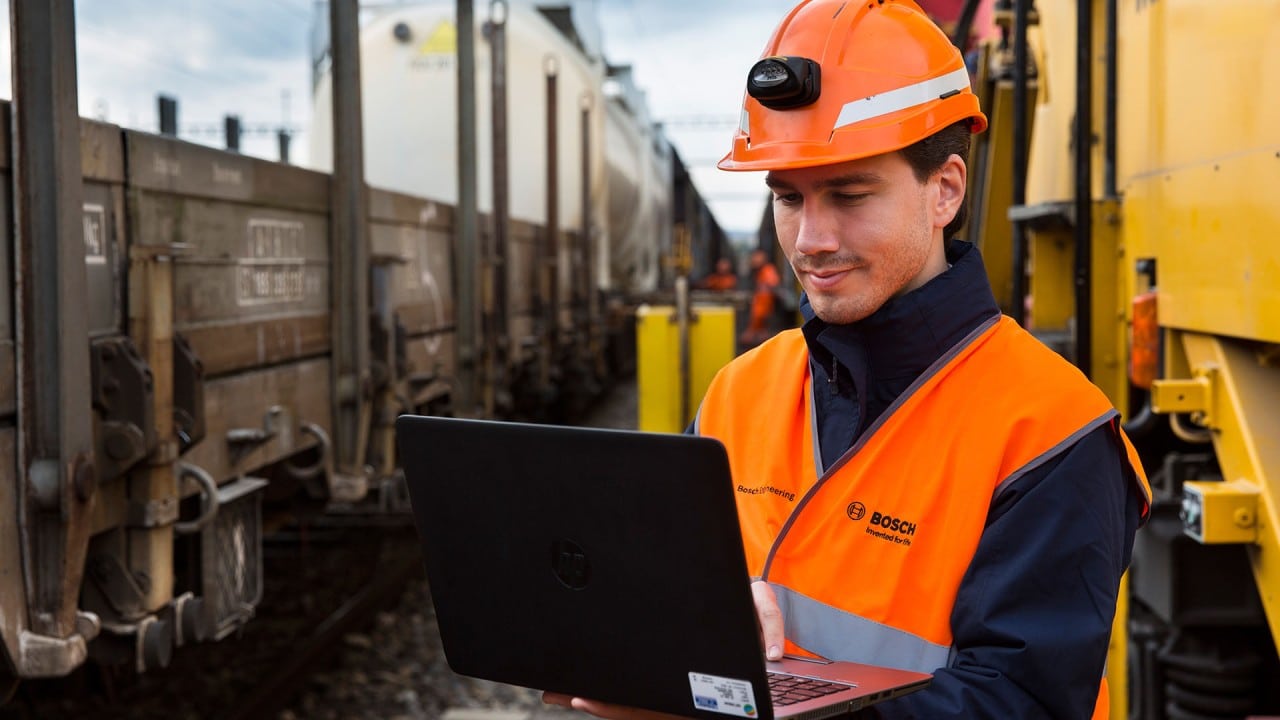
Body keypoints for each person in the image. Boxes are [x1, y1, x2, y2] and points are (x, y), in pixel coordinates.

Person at [546, 1, 1151, 718]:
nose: (810, 239)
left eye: (849, 194)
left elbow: (1018, 700)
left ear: (945, 191)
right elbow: (666, 585)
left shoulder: (1052, 430)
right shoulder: (740, 392)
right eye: (789, 198)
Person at [740, 248, 783, 347]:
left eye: (756, 257)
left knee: (759, 327)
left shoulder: (768, 270)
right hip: (761, 304)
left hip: (764, 303)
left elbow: (772, 283)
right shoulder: (760, 271)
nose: (753, 260)